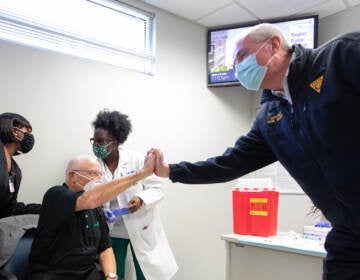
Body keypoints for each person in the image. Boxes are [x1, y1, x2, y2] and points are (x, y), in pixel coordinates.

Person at [150, 24, 360, 280]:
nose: (237, 66)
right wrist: (170, 170)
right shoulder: (270, 118)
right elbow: (229, 163)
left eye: (242, 55)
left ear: (273, 45)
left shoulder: (341, 56)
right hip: (348, 229)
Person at [29, 153, 155, 280]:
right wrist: (139, 175)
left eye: (100, 174)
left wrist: (111, 276)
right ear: (72, 175)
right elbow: (88, 200)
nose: (99, 179)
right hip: (53, 273)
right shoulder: (55, 195)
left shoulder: (95, 208)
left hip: (87, 272)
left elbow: (105, 248)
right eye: (93, 173)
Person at [90, 110, 177, 280]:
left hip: (141, 225)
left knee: (147, 273)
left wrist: (141, 199)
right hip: (112, 230)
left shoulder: (136, 160)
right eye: (94, 141)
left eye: (101, 141)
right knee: (113, 274)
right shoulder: (92, 165)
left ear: (115, 142)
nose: (96, 145)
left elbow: (157, 188)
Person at [0, 112, 41, 218]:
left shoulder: (16, 171)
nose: (30, 137)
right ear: (14, 131)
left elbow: (10, 208)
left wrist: (45, 208)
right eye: (27, 131)